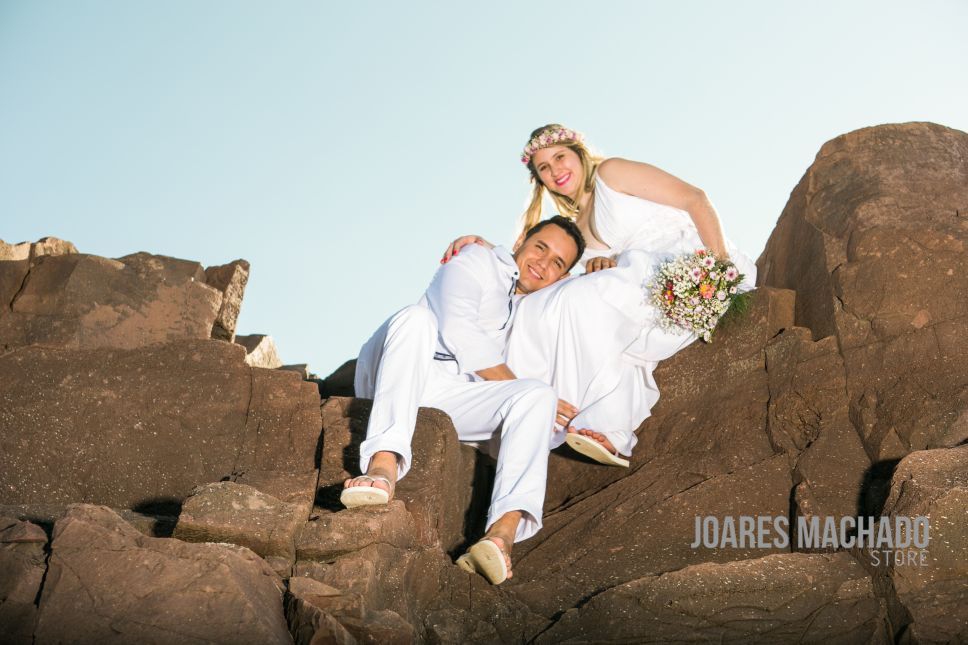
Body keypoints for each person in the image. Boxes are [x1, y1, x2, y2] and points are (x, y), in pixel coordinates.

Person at [441, 124, 756, 467]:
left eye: (560, 157)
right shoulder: (573, 229)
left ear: (579, 154)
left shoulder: (611, 173)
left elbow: (695, 198)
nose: (555, 171)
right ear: (540, 180)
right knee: (542, 309)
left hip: (687, 261)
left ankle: (599, 422)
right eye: (544, 167)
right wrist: (489, 250)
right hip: (638, 281)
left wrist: (719, 268)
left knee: (579, 300)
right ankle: (573, 421)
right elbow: (540, 273)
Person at [342, 216, 585, 585]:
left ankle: (501, 534)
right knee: (416, 319)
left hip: (446, 393)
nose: (543, 263)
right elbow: (458, 328)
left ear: (562, 276)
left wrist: (606, 264)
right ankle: (382, 466)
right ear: (521, 239)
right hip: (399, 366)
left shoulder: (531, 307)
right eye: (540, 247)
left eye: (557, 263)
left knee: (539, 395)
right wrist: (484, 245)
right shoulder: (476, 258)